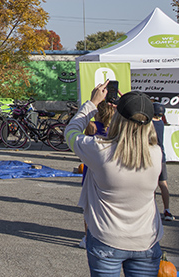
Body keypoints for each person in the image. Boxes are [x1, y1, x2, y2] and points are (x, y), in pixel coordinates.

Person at [66, 84, 163, 276]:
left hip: (106, 238)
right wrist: (135, 103)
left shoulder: (99, 150)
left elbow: (71, 131)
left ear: (119, 119)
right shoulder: (155, 153)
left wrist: (92, 103)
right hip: (147, 240)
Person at [79, 100, 114, 248]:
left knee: (89, 205)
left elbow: (81, 124)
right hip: (109, 168)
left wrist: (89, 108)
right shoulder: (115, 128)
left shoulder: (93, 126)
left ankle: (88, 237)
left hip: (91, 167)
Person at [152, 103, 175, 221]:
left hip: (151, 156)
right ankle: (167, 210)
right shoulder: (160, 123)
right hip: (161, 157)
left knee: (152, 185)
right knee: (163, 183)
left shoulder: (149, 124)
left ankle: (152, 210)